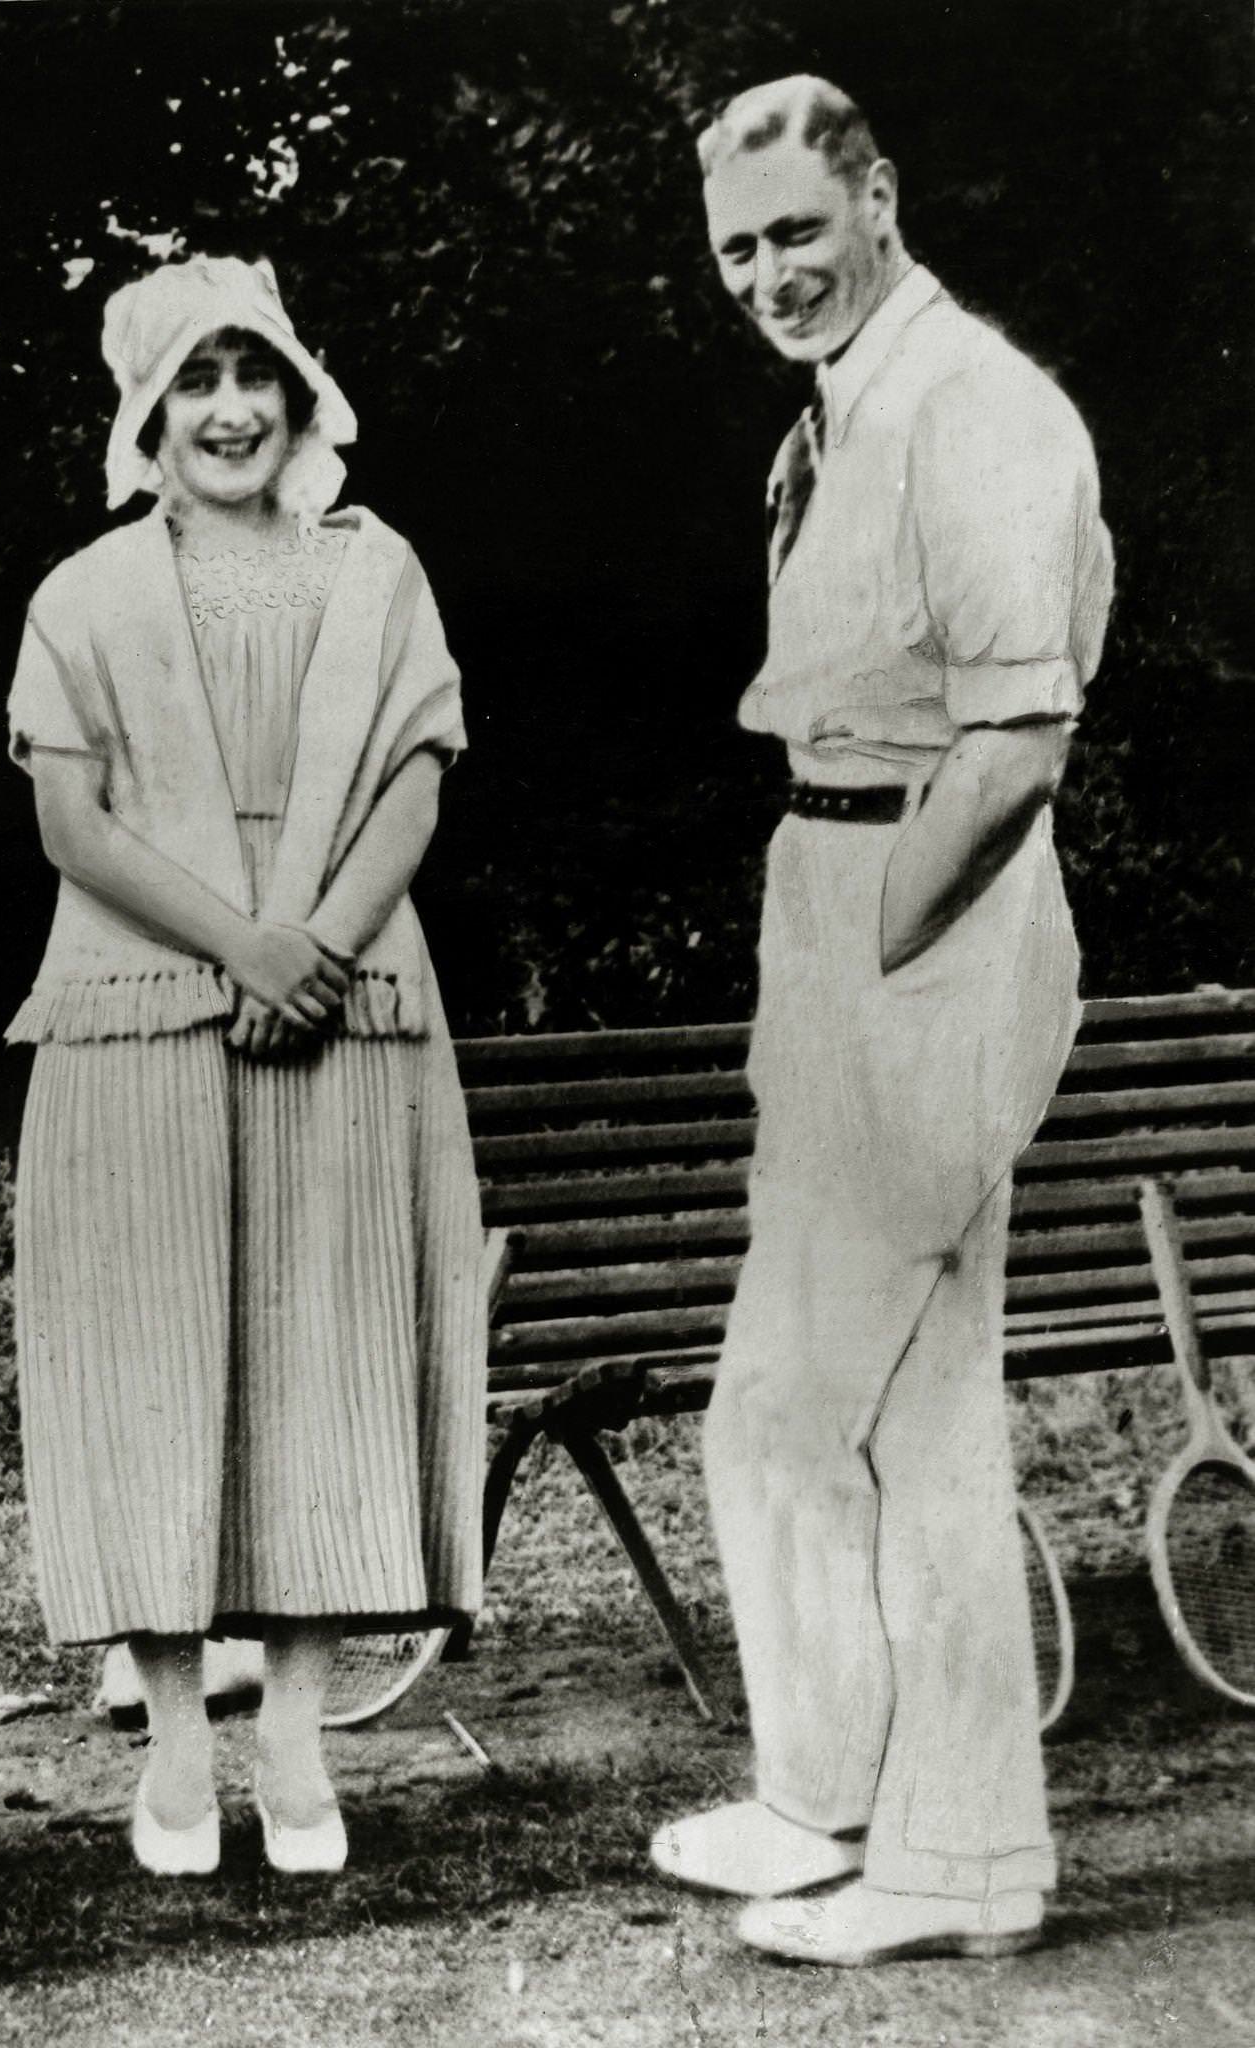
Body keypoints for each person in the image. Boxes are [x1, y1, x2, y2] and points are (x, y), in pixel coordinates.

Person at [650, 78, 1113, 1963]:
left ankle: (954, 1866)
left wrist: (878, 963)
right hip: (834, 887)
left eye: (794, 230)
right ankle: (828, 1799)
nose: (768, 273)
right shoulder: (849, 406)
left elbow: (1017, 736)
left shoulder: (970, 405)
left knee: (885, 1418)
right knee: (798, 1412)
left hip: (926, 907)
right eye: (735, 246)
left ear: (879, 195)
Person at [7, 254, 486, 1877]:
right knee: (151, 1372)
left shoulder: (380, 570)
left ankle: (293, 1740)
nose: (228, 410)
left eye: (253, 375)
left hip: (351, 1000)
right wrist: (240, 946)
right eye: (194, 381)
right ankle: (176, 1746)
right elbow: (71, 820)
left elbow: (416, 782)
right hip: (139, 1006)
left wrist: (318, 949)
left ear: (297, 394)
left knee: (319, 1367)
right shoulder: (81, 594)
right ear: (148, 408)